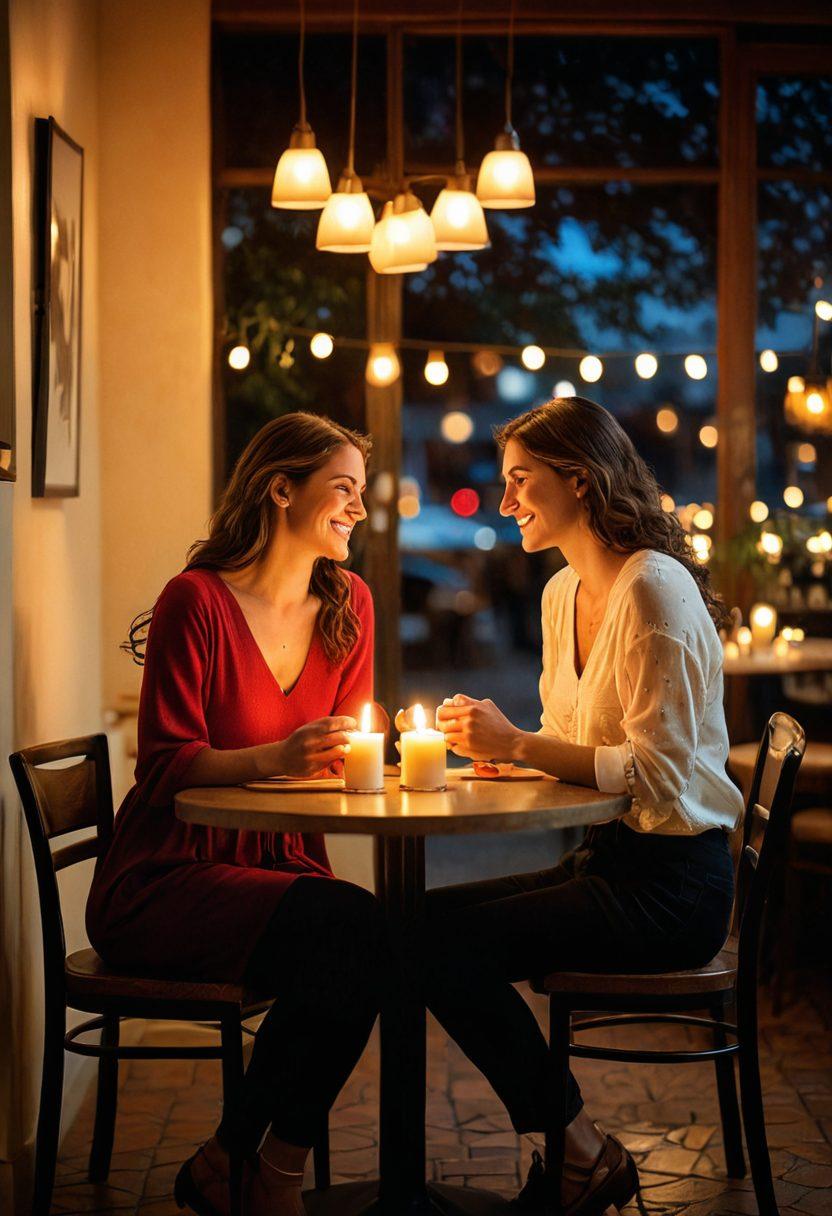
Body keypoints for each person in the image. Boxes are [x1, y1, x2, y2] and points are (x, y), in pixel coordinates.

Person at [431, 396, 743, 1216]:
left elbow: (661, 776)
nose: (505, 503)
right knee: (418, 925)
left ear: (581, 478)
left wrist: (519, 748)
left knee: (443, 946)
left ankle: (579, 1153)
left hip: (675, 887)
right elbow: (573, 741)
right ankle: (579, 1151)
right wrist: (501, 757)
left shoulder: (653, 589)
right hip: (609, 861)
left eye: (521, 481)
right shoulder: (562, 592)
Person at [87, 412, 387, 1216]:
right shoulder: (195, 602)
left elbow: (350, 751)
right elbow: (162, 765)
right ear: (279, 489)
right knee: (355, 935)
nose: (359, 508)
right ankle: (258, 1174)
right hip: (168, 876)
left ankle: (247, 1163)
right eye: (343, 489)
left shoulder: (349, 604)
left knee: (366, 941)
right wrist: (277, 758)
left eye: (362, 492)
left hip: (278, 868)